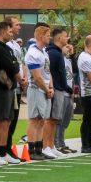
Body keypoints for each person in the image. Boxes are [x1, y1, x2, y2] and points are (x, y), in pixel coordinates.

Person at [0, 19, 20, 165]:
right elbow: (11, 66)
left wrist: (14, 66)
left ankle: (3, 151)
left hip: (10, 88)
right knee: (0, 121)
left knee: (7, 121)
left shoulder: (7, 48)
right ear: (1, 31)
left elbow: (15, 65)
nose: (11, 33)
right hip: (0, 89)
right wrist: (13, 66)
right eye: (9, 31)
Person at [24, 23, 58, 159]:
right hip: (37, 89)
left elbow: (47, 73)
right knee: (35, 119)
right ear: (41, 36)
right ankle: (32, 150)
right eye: (48, 35)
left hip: (44, 89)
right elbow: (37, 77)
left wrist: (51, 87)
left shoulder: (43, 52)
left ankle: (39, 149)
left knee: (42, 120)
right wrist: (46, 89)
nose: (49, 38)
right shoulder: (32, 53)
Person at [4, 16, 27, 161]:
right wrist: (19, 79)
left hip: (18, 87)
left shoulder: (16, 45)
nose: (20, 27)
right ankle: (4, 150)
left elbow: (20, 64)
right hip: (11, 87)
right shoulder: (8, 46)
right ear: (9, 26)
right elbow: (11, 67)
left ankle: (8, 149)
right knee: (7, 120)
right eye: (17, 24)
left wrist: (24, 80)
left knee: (14, 119)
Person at [46, 29, 73, 154]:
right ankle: (47, 146)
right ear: (58, 38)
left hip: (61, 89)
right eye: (65, 36)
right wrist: (53, 86)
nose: (67, 38)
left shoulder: (58, 53)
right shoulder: (53, 53)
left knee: (56, 119)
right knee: (52, 119)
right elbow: (50, 72)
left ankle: (52, 146)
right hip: (56, 89)